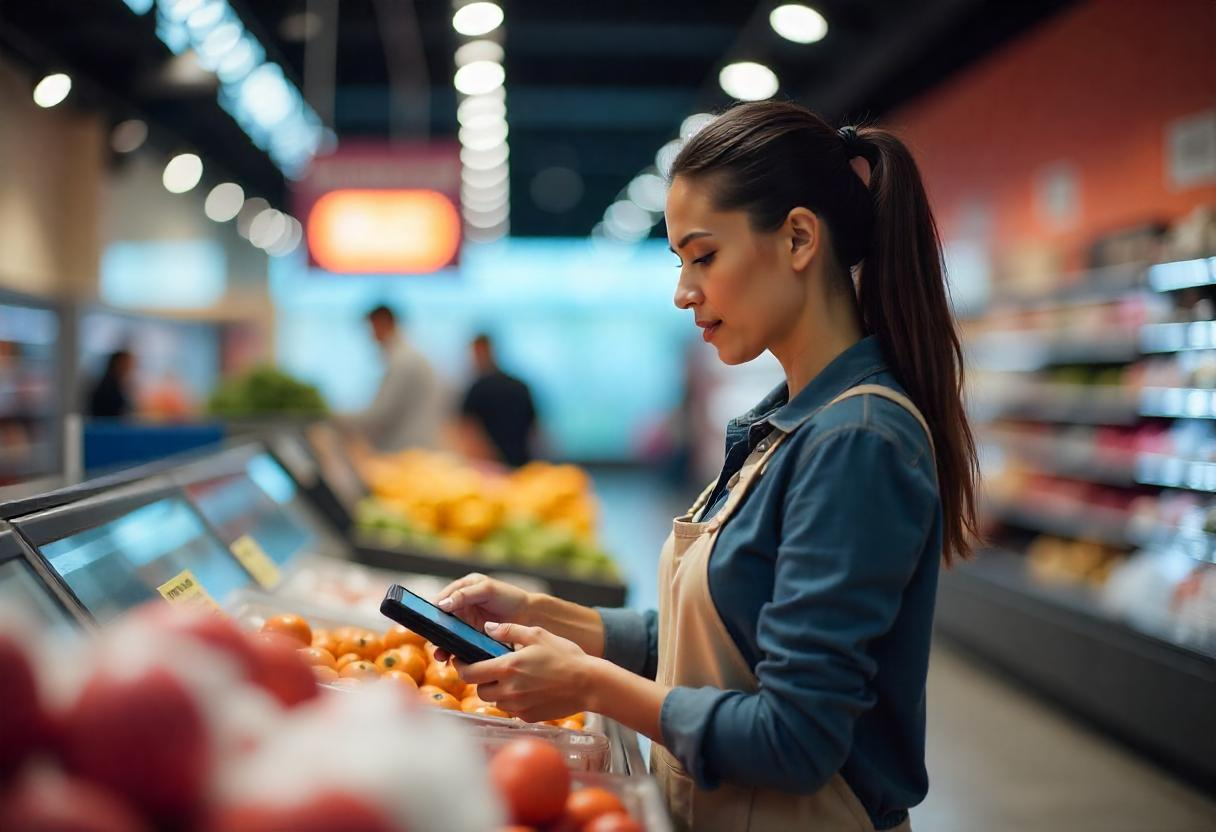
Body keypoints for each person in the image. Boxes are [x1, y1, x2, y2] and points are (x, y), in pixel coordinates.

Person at [435, 101, 979, 832]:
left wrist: (588, 682)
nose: (683, 292)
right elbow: (721, 642)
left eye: (704, 256)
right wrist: (539, 612)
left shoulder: (857, 441)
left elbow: (796, 738)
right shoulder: (784, 422)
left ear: (797, 238)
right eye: (679, 262)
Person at [343, 304, 446, 452]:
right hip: (413, 449)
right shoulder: (408, 356)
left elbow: (379, 414)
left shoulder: (403, 361)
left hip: (408, 451)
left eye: (372, 328)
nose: (372, 337)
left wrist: (331, 416)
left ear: (383, 323)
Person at [458, 333, 537, 467]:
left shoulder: (478, 388)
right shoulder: (519, 386)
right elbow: (534, 429)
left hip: (490, 466)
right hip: (521, 462)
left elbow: (468, 430)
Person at [86, 349, 136, 419]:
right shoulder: (107, 387)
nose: (130, 368)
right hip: (106, 427)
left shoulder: (117, 384)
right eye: (127, 363)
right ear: (118, 363)